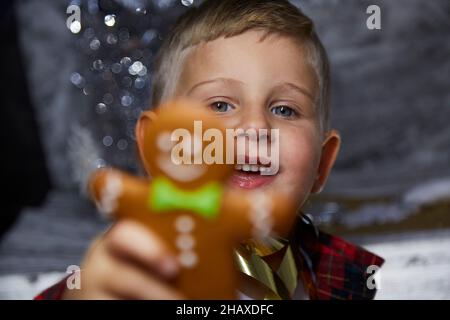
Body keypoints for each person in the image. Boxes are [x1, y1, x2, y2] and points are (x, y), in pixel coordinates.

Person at [36, 0, 383, 300]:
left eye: (284, 109)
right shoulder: (121, 274)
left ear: (323, 162)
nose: (255, 129)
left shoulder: (347, 279)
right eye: (220, 105)